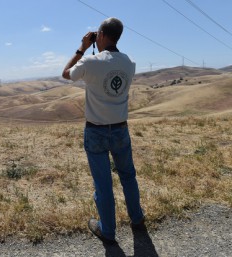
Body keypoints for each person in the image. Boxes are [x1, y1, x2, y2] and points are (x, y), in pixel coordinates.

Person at [62, 17, 145, 244]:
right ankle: (137, 219)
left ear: (100, 34)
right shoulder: (130, 63)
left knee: (103, 183)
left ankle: (107, 231)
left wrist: (82, 48)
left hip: (96, 131)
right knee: (128, 176)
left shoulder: (91, 62)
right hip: (121, 130)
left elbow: (66, 73)